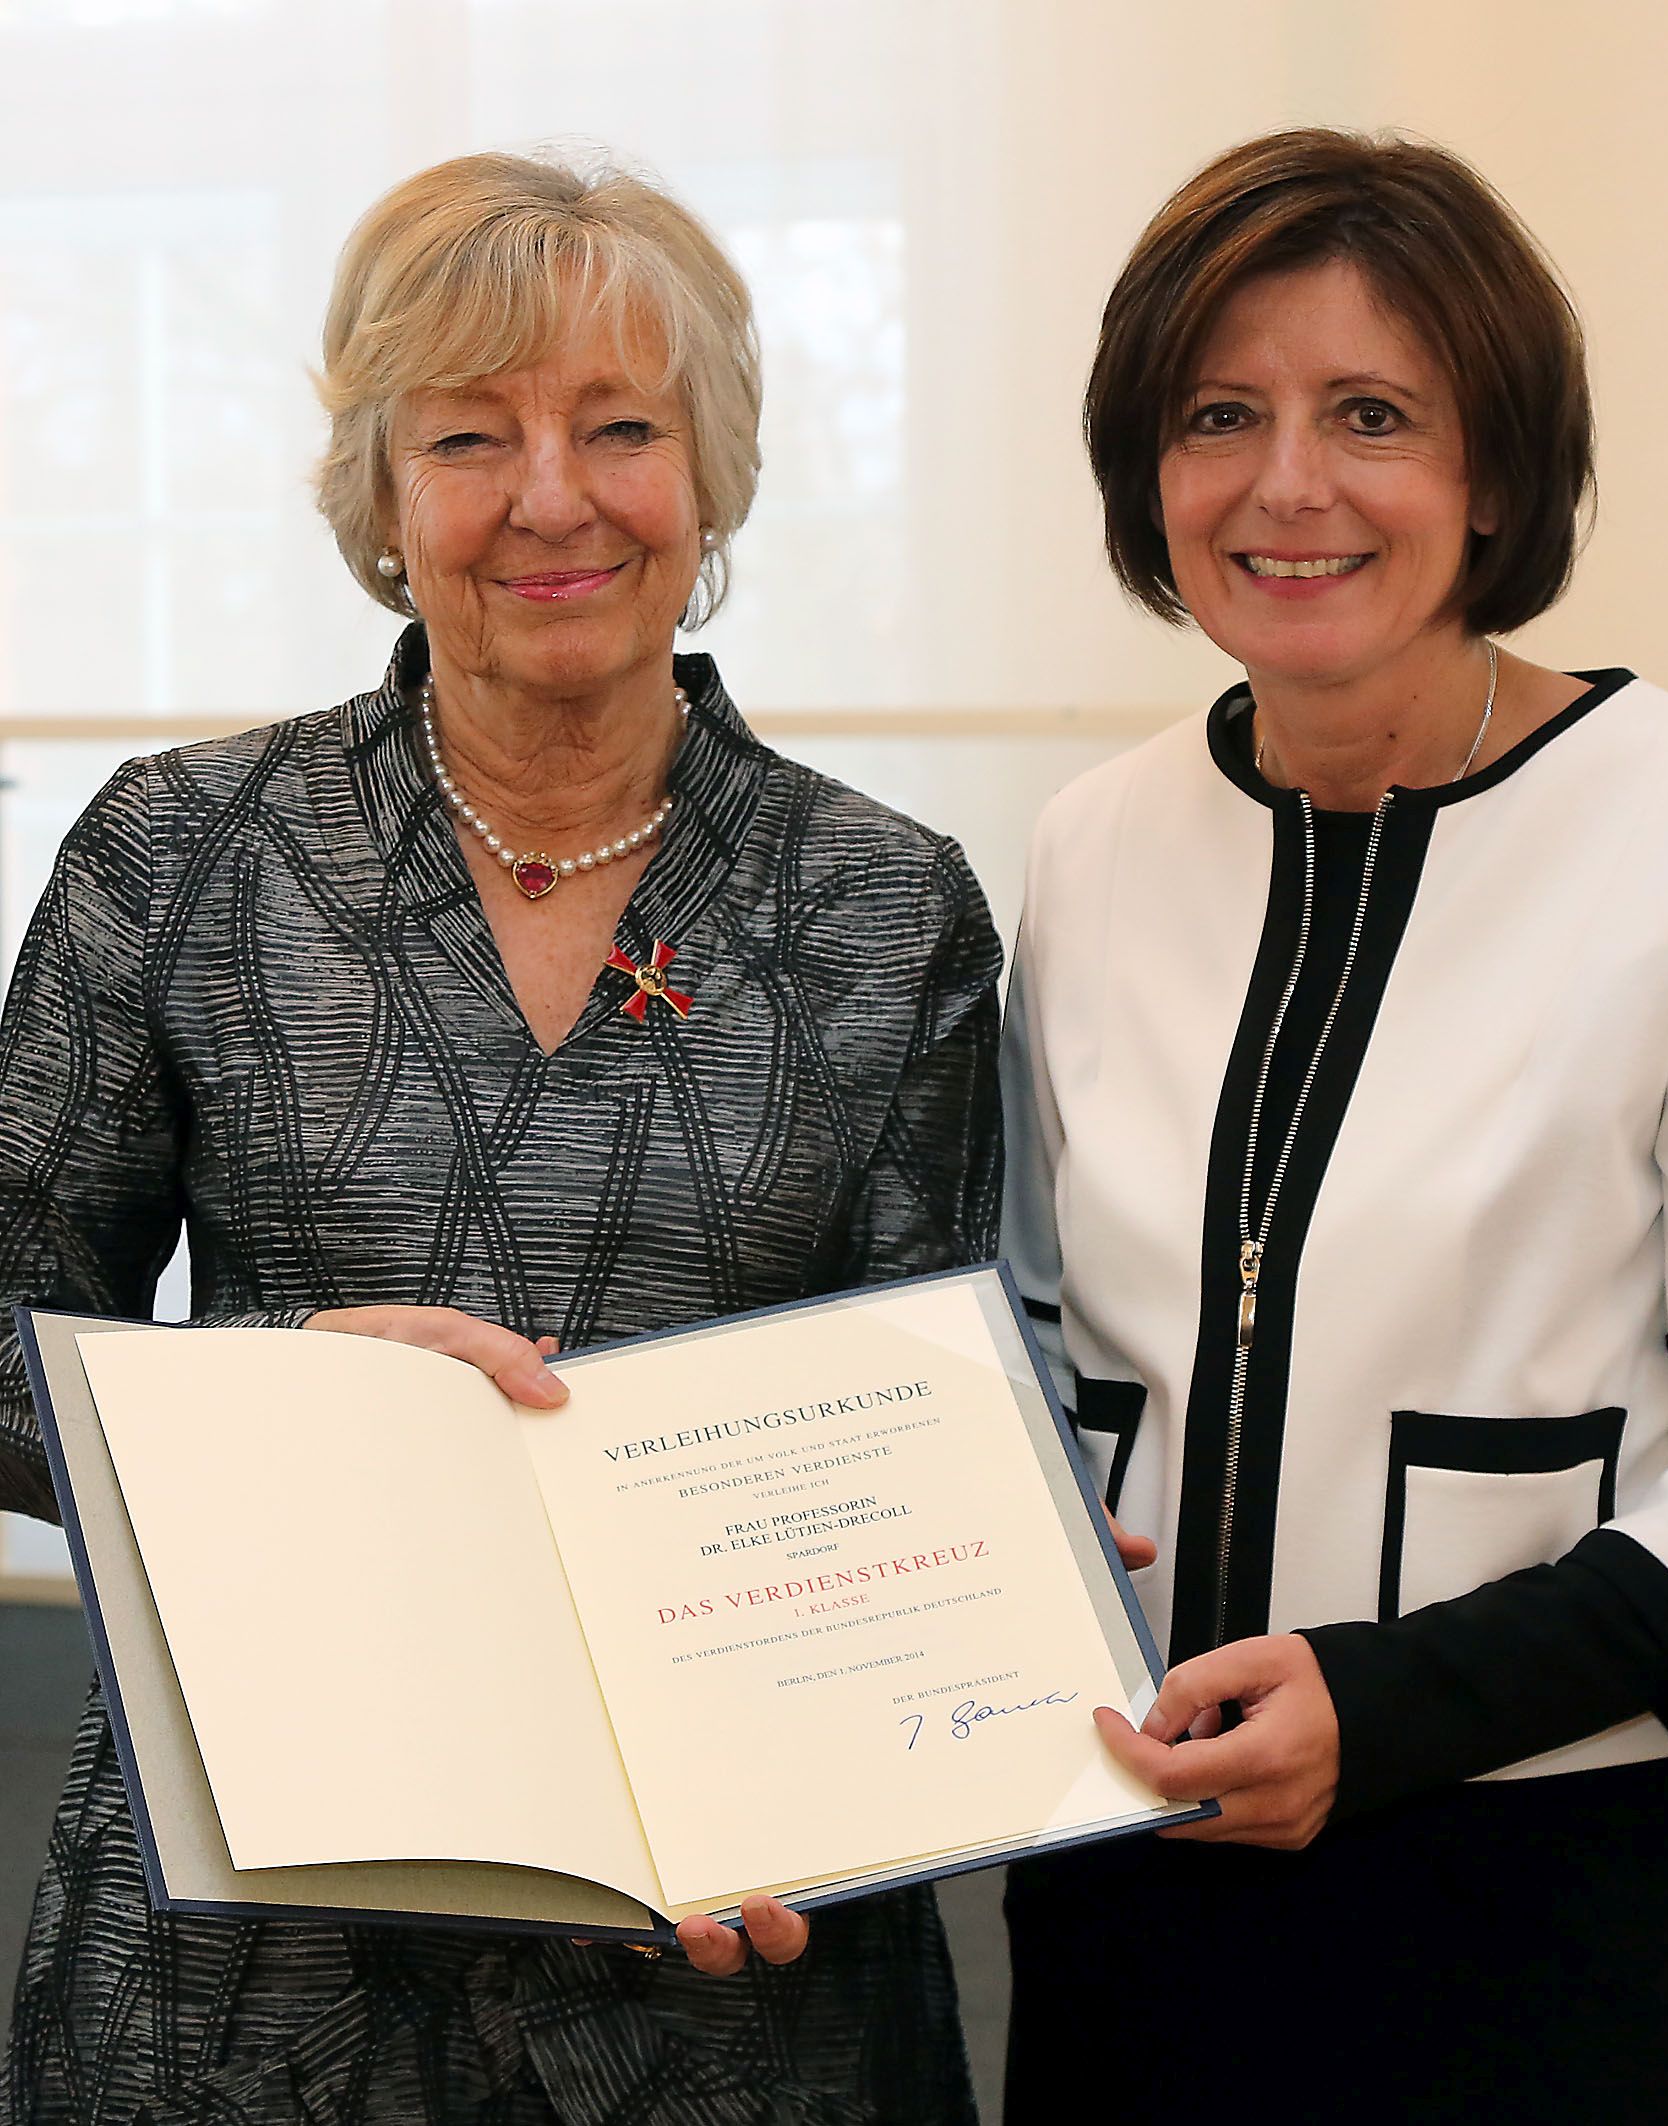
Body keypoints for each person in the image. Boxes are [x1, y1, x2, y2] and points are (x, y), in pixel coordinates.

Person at [0, 151, 994, 2125]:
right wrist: (258, 1408)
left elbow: (913, 1445)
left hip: (726, 1953)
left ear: (709, 476)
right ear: (383, 497)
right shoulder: (179, 856)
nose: (551, 494)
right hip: (248, 1955)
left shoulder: (885, 910)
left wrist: (856, 1767)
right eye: (472, 433)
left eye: (618, 426)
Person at [999, 127, 1668, 2124]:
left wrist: (1394, 1708)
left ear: (1492, 471)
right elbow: (1027, 1359)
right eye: (1217, 414)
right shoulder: (1095, 842)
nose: (1287, 483)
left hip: (1544, 1899)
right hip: (1132, 1871)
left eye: (1374, 414)